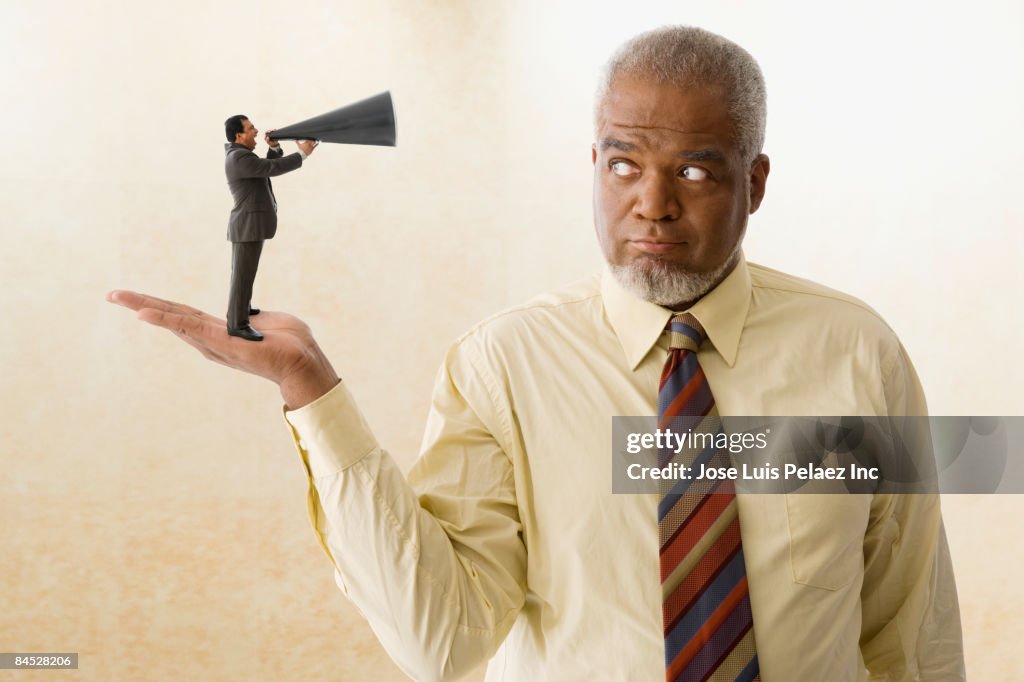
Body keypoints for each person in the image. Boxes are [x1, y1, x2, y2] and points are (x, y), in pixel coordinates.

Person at [110, 26, 964, 682]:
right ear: (594, 165)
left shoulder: (858, 354)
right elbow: (441, 638)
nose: (653, 205)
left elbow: (910, 630)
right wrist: (311, 392)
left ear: (757, 181)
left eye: (696, 173)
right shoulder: (503, 367)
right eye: (625, 164)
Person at [222, 115, 317, 341]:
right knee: (242, 276)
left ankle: (242, 308)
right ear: (239, 135)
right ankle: (237, 323)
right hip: (247, 225)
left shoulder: (241, 155)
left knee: (246, 273)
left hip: (251, 224)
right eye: (251, 128)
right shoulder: (238, 157)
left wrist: (274, 147)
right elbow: (271, 168)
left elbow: (263, 169)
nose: (256, 130)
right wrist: (303, 153)